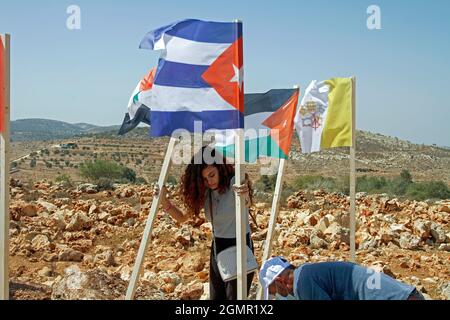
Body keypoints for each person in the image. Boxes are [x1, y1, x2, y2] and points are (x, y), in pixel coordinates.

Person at [154, 146, 255, 300]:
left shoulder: (235, 181)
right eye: (204, 179)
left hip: (240, 246)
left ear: (220, 168)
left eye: (212, 175)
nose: (209, 181)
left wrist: (245, 193)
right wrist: (163, 200)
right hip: (217, 250)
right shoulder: (206, 192)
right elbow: (182, 218)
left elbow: (246, 200)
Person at [259, 257, 426, 300]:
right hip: (404, 294)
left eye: (274, 291)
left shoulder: (303, 284)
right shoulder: (307, 272)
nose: (281, 295)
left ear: (280, 281)